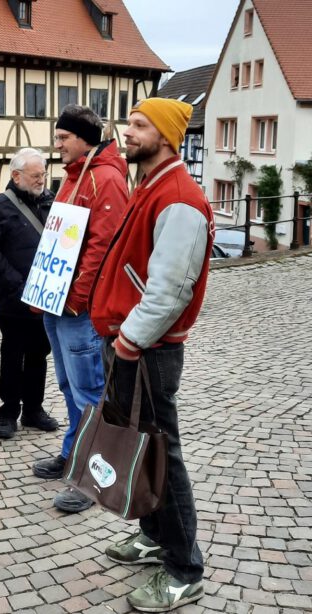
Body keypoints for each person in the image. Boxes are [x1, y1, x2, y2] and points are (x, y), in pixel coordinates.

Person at [90, 98, 213, 612]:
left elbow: (170, 290)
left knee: (165, 454)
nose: (128, 132)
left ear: (165, 136)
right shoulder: (152, 186)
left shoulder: (179, 197)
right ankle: (155, 537)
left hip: (147, 350)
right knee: (143, 447)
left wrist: (129, 341)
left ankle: (184, 568)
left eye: (140, 126)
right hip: (133, 344)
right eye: (130, 123)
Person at [30, 105, 129, 514]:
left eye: (63, 138)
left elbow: (101, 248)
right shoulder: (76, 177)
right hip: (60, 303)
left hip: (78, 308)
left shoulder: (105, 179)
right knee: (70, 388)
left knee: (89, 392)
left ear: (84, 139)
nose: (57, 145)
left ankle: (93, 478)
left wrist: (73, 299)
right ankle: (73, 452)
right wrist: (44, 291)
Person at [0, 148, 59, 440]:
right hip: (14, 297)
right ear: (16, 175)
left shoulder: (50, 202)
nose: (42, 180)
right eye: (36, 176)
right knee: (12, 354)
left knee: (39, 353)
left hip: (44, 296)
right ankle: (8, 412)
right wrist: (17, 283)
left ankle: (34, 410)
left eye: (44, 175)